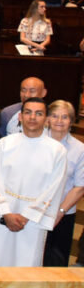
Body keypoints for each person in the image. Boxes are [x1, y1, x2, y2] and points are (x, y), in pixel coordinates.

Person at [0, 98, 67, 266]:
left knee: (26, 263)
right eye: (28, 112)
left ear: (46, 118)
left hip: (34, 219)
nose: (32, 117)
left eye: (38, 113)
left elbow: (54, 188)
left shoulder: (57, 151)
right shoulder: (6, 143)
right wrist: (6, 212)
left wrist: (27, 215)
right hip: (5, 213)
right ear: (20, 116)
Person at [41, 100, 84, 266]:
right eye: (55, 116)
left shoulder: (80, 149)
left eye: (65, 117)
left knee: (55, 262)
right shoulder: (36, 142)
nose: (59, 121)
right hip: (33, 210)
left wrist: (58, 213)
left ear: (71, 121)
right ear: (47, 119)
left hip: (63, 213)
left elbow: (80, 187)